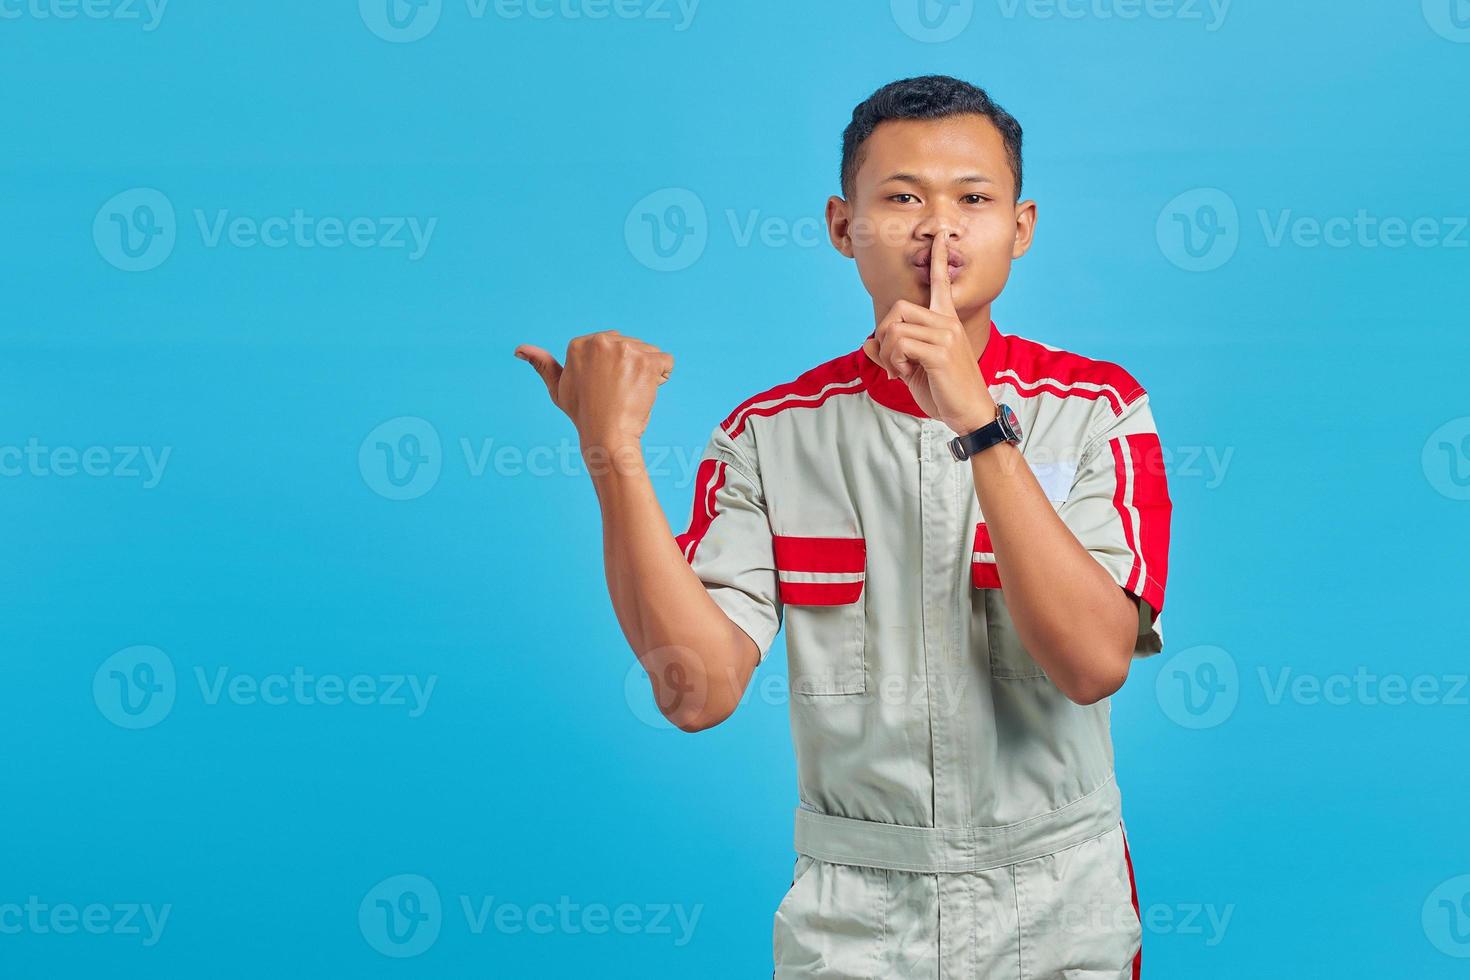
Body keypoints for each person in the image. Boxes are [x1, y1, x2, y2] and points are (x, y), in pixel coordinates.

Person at [516, 74, 1171, 979]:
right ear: (841, 225)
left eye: (973, 199)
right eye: (901, 198)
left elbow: (1095, 665)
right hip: (857, 914)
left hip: (1057, 903)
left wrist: (978, 421)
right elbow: (695, 693)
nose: (938, 229)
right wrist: (613, 456)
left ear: (1020, 227)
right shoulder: (768, 436)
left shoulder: (1098, 411)